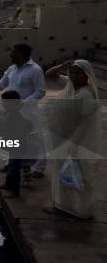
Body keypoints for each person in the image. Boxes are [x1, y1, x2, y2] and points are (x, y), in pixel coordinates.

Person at [43, 59, 102, 219]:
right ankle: (62, 205)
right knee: (62, 173)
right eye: (72, 72)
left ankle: (76, 209)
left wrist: (72, 143)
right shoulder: (69, 86)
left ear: (86, 75)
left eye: (78, 73)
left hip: (72, 141)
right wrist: (62, 67)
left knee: (74, 176)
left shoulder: (86, 94)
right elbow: (48, 75)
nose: (74, 76)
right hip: (60, 138)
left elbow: (85, 124)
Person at [0, 43, 46, 175]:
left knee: (36, 139)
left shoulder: (35, 70)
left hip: (28, 111)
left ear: (21, 53)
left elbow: (40, 92)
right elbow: (1, 84)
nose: (10, 54)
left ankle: (39, 168)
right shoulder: (12, 69)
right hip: (12, 111)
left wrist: (22, 103)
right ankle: (11, 164)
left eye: (13, 52)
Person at [0, 90, 33, 198]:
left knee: (15, 168)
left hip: (18, 146)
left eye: (5, 102)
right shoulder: (9, 112)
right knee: (11, 166)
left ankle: (15, 191)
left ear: (13, 103)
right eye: (2, 102)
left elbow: (27, 127)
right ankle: (8, 184)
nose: (3, 104)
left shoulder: (17, 115)